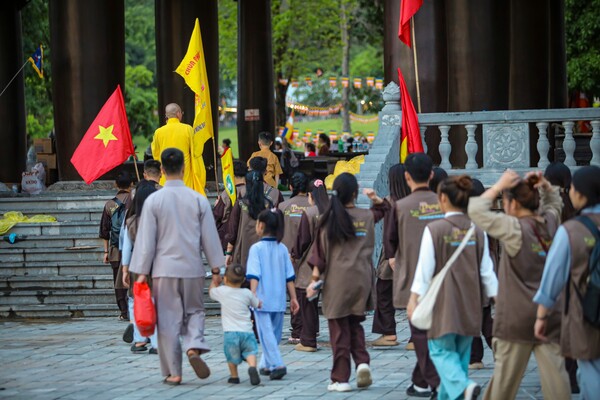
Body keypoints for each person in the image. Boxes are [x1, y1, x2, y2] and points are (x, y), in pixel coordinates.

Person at [468, 170, 570, 400]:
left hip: (516, 319)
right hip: (550, 314)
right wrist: (546, 186)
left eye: (505, 201)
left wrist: (497, 186)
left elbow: (475, 211)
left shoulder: (514, 229)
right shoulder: (550, 225)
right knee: (557, 381)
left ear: (513, 204)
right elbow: (555, 204)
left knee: (504, 384)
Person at [128, 148, 224, 385]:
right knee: (195, 311)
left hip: (163, 270)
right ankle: (193, 345)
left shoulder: (154, 201)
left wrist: (141, 273)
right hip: (192, 268)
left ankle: (174, 372)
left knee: (167, 320)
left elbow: (146, 241)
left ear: (161, 170)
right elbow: (210, 238)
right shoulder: (198, 200)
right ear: (184, 168)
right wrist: (216, 270)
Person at [407, 175, 498, 400]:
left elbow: (424, 270)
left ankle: (464, 385)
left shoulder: (435, 229)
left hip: (443, 303)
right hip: (471, 304)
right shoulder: (477, 231)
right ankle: (458, 390)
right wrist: (498, 300)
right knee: (460, 358)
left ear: (444, 199)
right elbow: (487, 272)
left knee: (439, 351)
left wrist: (414, 299)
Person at [534, 165, 600, 400]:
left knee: (591, 370)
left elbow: (552, 278)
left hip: (586, 311)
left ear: (581, 194)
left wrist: (541, 317)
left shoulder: (571, 231)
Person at [306, 173, 376, 392]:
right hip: (362, 280)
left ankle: (340, 378)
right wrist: (377, 199)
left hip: (337, 282)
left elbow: (319, 257)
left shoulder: (328, 219)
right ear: (355, 193)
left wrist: (313, 281)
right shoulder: (367, 216)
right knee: (355, 324)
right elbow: (385, 211)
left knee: (338, 331)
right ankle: (362, 362)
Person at [384, 153, 444, 398]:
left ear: (407, 176)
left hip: (412, 276)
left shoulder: (400, 206)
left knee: (419, 332)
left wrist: (394, 261)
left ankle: (437, 382)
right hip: (442, 276)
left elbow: (390, 241)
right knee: (436, 332)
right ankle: (420, 383)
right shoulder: (444, 203)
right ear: (431, 175)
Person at [246, 209, 300, 380]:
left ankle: (277, 364)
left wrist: (252, 295)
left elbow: (254, 275)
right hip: (279, 299)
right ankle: (265, 364)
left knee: (266, 334)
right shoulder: (282, 248)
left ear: (261, 225)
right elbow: (289, 276)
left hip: (262, 299)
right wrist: (293, 298)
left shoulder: (256, 249)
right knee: (274, 334)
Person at [371, 164, 410, 347]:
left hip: (392, 254)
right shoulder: (413, 201)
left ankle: (388, 333)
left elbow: (387, 231)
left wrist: (390, 255)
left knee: (384, 293)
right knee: (414, 294)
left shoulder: (390, 201)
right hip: (412, 253)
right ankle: (416, 337)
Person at [120, 181, 159, 354]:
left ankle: (140, 340)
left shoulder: (130, 221)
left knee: (138, 303)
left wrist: (124, 270)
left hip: (137, 266)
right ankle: (157, 343)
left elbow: (126, 247)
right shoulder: (160, 219)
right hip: (157, 264)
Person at [291, 179, 330, 352]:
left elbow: (303, 240)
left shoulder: (309, 213)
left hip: (311, 263)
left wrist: (294, 254)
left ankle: (308, 339)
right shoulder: (334, 211)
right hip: (332, 263)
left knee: (308, 301)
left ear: (310, 195)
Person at [209, 264, 261, 385]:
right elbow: (257, 304)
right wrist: (259, 303)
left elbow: (211, 292)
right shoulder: (247, 293)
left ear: (225, 279)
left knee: (231, 356)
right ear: (243, 280)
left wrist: (214, 281)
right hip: (247, 331)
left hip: (231, 333)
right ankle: (252, 367)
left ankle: (234, 376)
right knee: (250, 352)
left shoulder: (222, 291)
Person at [278, 172, 312, 344]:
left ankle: (298, 330)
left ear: (291, 187)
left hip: (288, 258)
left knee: (293, 293)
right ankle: (310, 329)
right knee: (309, 294)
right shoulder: (314, 208)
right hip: (311, 257)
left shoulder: (283, 206)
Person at [468, 178, 497, 370]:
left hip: (471, 274)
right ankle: (500, 349)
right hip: (486, 273)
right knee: (485, 316)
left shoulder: (467, 221)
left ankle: (475, 358)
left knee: (471, 319)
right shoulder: (489, 219)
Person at [99, 171, 132, 321]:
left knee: (118, 281)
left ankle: (124, 311)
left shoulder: (109, 204)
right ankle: (136, 309)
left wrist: (106, 252)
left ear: (115, 185)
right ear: (132, 184)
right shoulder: (136, 201)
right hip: (134, 248)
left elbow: (104, 231)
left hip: (115, 249)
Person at [225, 170, 273, 269]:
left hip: (243, 251)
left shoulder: (240, 204)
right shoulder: (269, 205)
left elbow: (233, 230)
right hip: (264, 252)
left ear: (246, 184)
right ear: (262, 184)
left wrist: (229, 252)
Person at [150, 103, 200, 193]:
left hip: (166, 174)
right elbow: (195, 152)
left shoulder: (158, 132)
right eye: (181, 113)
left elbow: (155, 154)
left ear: (166, 115)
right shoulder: (188, 129)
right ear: (178, 114)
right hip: (184, 174)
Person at [214, 160, 248, 250]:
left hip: (228, 236)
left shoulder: (227, 193)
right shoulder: (252, 191)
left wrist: (217, 206)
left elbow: (217, 216)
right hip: (248, 235)